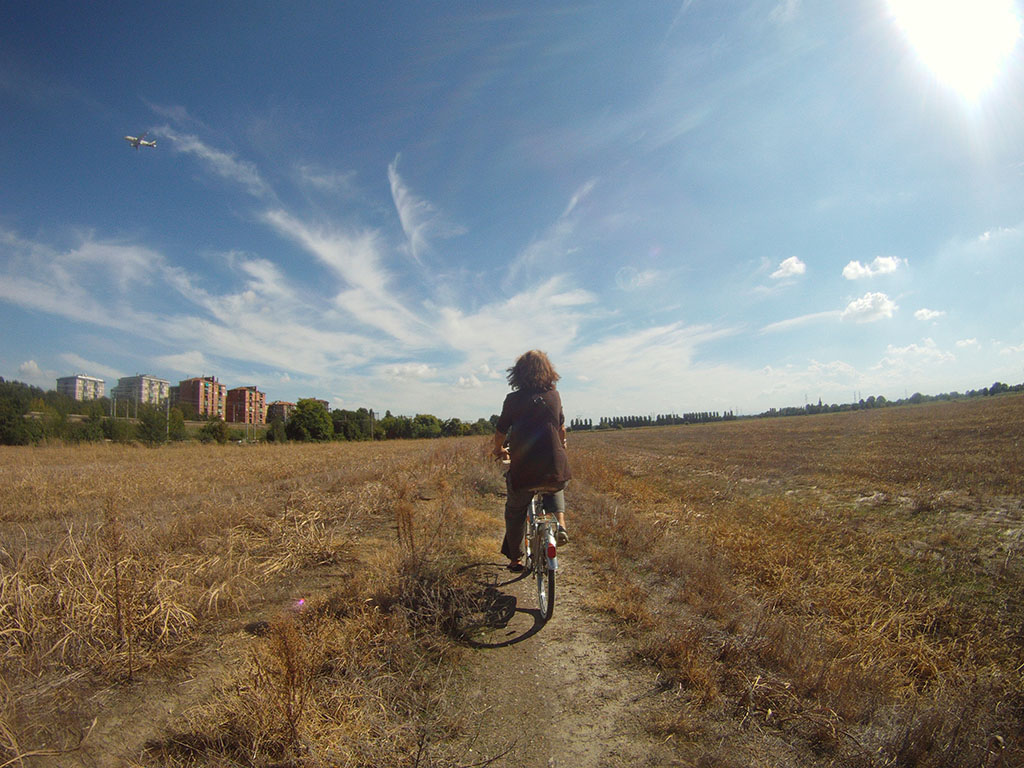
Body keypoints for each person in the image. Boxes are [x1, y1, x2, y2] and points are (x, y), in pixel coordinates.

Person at [492, 350, 571, 572]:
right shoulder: (554, 396)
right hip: (553, 466)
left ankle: (515, 559)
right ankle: (560, 524)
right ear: (548, 371)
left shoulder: (513, 400)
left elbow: (500, 431)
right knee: (555, 483)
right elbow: (561, 428)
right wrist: (562, 445)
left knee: (515, 511)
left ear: (517, 374)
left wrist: (498, 449)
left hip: (524, 470)